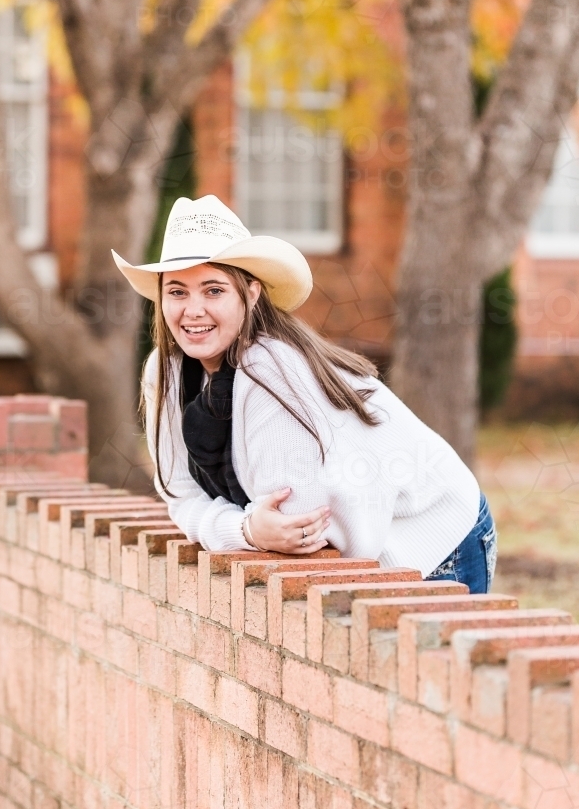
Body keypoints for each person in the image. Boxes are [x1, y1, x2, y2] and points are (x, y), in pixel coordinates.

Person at [113, 195, 497, 593]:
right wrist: (245, 528)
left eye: (213, 290)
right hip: (360, 542)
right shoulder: (165, 370)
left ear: (251, 294)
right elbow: (180, 496)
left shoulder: (269, 368)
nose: (193, 310)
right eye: (177, 292)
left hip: (433, 532)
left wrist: (243, 529)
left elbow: (298, 527)